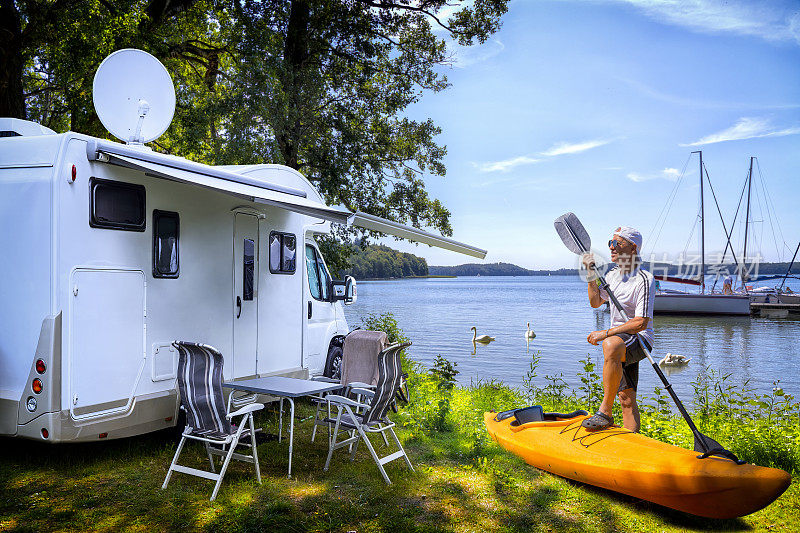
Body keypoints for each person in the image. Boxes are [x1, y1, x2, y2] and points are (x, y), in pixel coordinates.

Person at [582, 226, 655, 432]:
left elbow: (640, 323)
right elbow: (596, 302)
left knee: (611, 345)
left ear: (632, 248)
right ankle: (632, 444)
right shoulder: (612, 275)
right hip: (619, 340)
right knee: (626, 398)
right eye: (610, 243)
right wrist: (590, 274)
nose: (611, 247)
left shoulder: (644, 279)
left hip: (639, 339)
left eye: (617, 243)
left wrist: (604, 333)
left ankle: (605, 411)